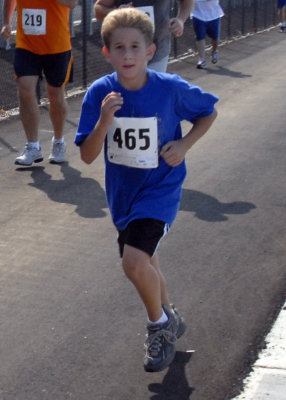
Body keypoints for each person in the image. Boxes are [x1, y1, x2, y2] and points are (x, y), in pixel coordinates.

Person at [75, 8, 218, 372]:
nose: (127, 55)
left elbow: (208, 112)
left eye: (135, 47)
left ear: (150, 51)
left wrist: (185, 144)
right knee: (148, 259)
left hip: (161, 190)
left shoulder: (169, 89)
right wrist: (105, 120)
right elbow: (89, 156)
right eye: (119, 48)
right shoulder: (99, 94)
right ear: (106, 52)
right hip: (124, 195)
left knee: (134, 262)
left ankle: (159, 327)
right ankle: (169, 314)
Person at [1, 0, 78, 166]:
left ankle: (58, 141)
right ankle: (33, 146)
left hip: (57, 45)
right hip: (27, 44)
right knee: (25, 89)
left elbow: (72, 3)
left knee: (55, 95)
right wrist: (6, 22)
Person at [94, 0, 194, 72]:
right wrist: (115, 12)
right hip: (125, 51)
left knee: (152, 92)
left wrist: (181, 19)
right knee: (128, 94)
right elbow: (99, 9)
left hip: (158, 47)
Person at [191, 0, 224, 69]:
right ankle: (201, 59)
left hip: (213, 15)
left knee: (215, 38)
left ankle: (214, 51)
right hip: (198, 15)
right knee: (200, 37)